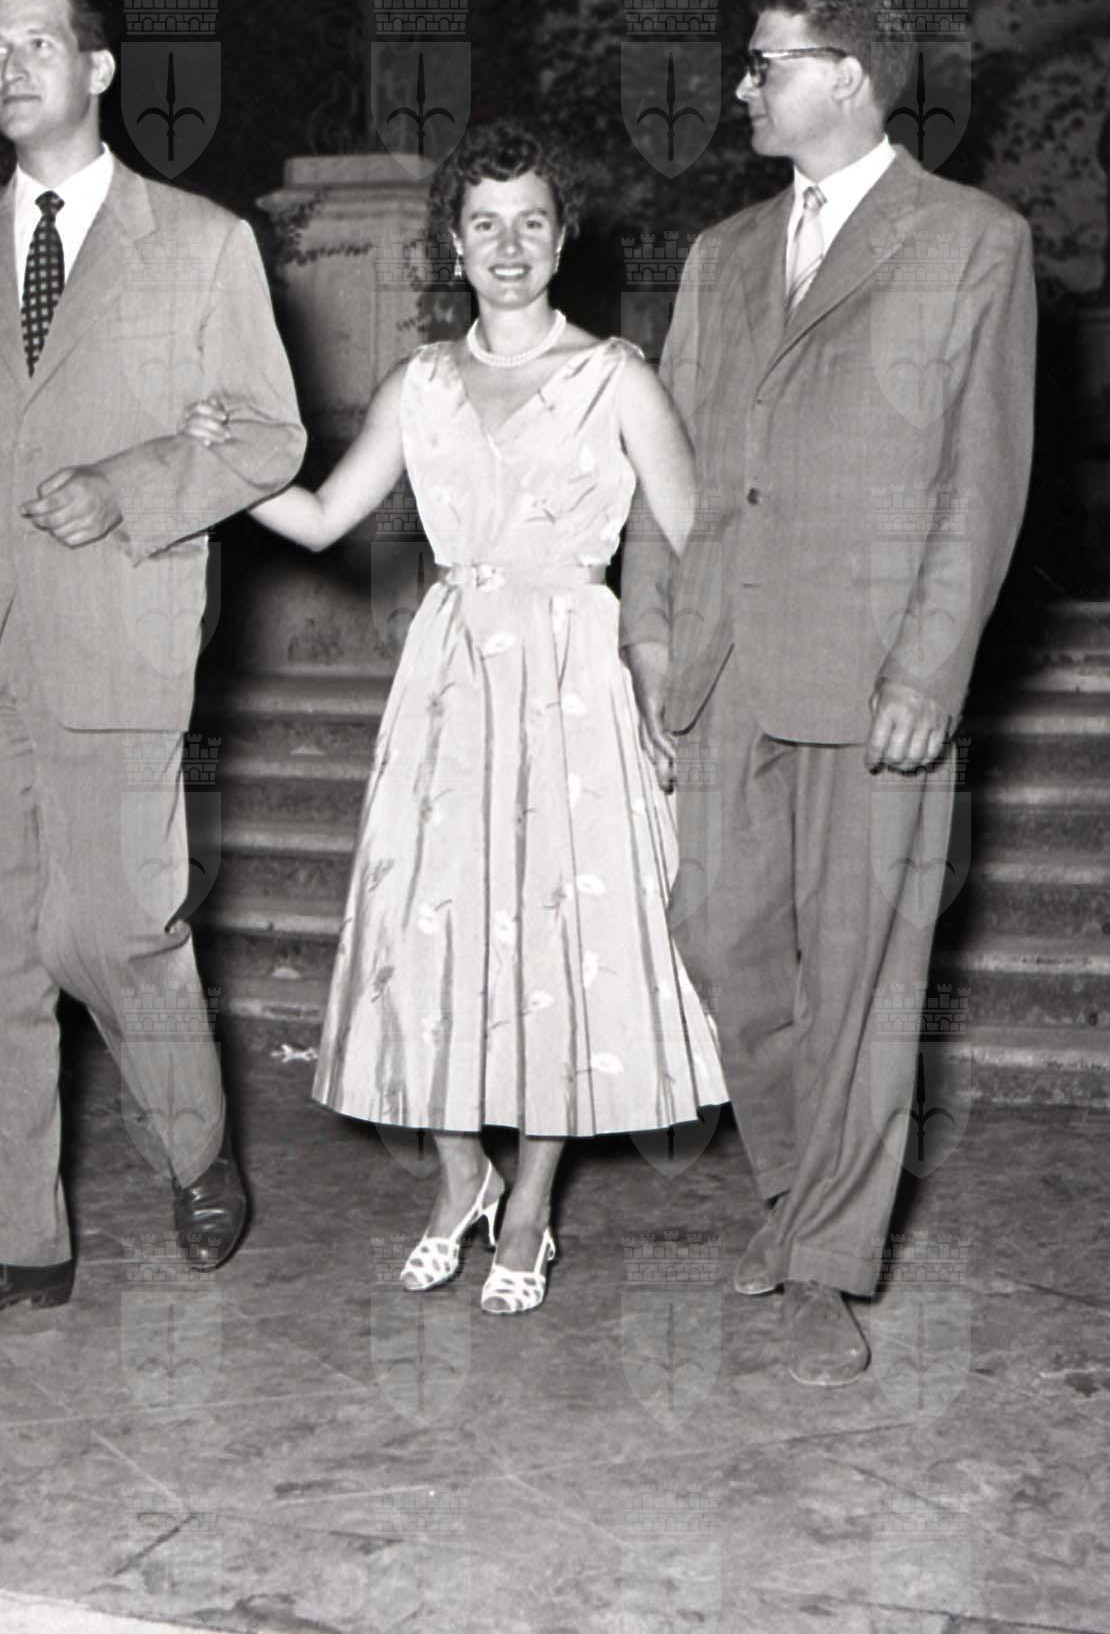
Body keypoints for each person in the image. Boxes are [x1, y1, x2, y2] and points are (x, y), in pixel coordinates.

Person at [183, 120, 725, 1314]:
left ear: (564, 237)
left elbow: (701, 543)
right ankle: (459, 1173)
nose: (509, 246)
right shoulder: (421, 382)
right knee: (426, 924)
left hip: (575, 680)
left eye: (532, 221)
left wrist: (675, 678)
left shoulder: (618, 377)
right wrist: (228, 464)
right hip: (450, 677)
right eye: (485, 224)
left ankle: (529, 1205)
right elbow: (320, 518)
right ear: (453, 242)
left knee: (558, 938)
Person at [0, 0, 305, 1331]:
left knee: (113, 928)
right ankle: (11, 1245)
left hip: (115, 632)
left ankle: (197, 1147)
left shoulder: (203, 242)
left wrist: (129, 485)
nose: (11, 68)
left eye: (37, 44)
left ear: (99, 68)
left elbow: (270, 435)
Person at [620, 0, 1036, 1384]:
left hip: (874, 678)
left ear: (849, 75)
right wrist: (651, 633)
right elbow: (665, 461)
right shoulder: (722, 252)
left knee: (863, 977)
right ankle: (796, 1195)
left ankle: (827, 1260)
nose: (742, 86)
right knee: (722, 941)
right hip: (728, 663)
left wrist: (933, 667)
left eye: (767, 63)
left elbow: (983, 480)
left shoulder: (971, 241)